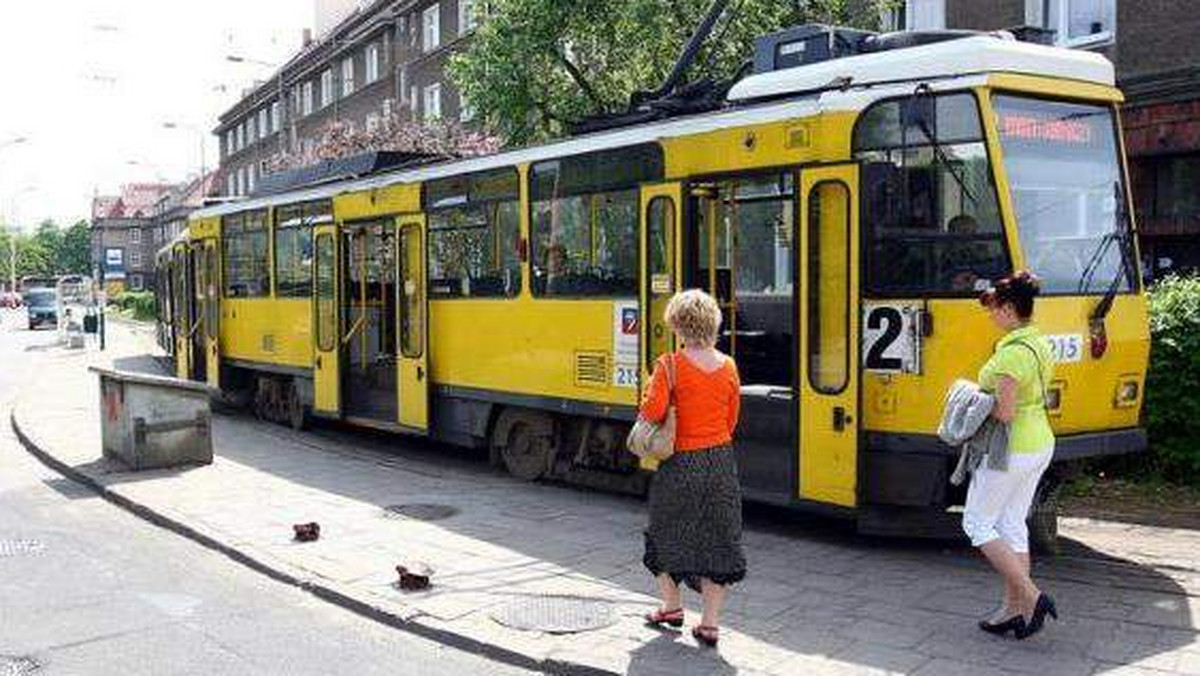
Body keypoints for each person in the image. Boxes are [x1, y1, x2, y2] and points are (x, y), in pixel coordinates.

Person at [639, 289, 746, 648]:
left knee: (666, 529)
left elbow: (652, 414)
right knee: (719, 537)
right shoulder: (729, 366)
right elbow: (731, 419)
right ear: (713, 323)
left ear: (677, 325)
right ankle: (710, 624)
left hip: (681, 462)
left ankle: (671, 607)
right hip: (719, 460)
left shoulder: (669, 365)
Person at [965, 271, 1058, 640]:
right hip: (1040, 443)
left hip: (1010, 447)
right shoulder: (1039, 345)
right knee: (1012, 524)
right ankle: (1012, 610)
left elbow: (1004, 412)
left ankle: (1033, 598)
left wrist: (970, 401)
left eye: (993, 310)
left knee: (977, 524)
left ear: (1007, 309)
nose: (991, 317)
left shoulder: (1012, 354)